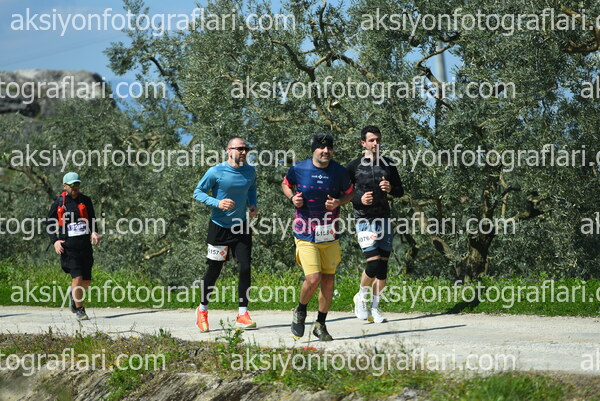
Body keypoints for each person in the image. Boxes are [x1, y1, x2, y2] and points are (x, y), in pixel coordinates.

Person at [281, 132, 354, 341]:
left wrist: (339, 202)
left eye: (329, 147)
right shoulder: (299, 168)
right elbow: (285, 184)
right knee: (313, 278)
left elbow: (350, 192)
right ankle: (300, 310)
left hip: (329, 234)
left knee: (328, 281)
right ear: (313, 149)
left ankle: (320, 324)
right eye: (321, 147)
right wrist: (292, 198)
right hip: (305, 232)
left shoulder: (339, 172)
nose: (326, 151)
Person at [193, 136, 258, 332]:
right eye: (240, 149)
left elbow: (251, 189)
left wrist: (252, 205)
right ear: (228, 151)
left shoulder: (250, 171)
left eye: (246, 149)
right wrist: (217, 203)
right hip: (219, 227)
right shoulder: (216, 171)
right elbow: (198, 192)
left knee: (245, 267)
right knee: (214, 270)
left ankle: (242, 314)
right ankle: (202, 310)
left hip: (240, 227)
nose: (244, 152)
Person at [346, 126, 404, 323]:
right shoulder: (353, 166)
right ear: (363, 143)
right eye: (371, 140)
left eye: (378, 139)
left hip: (384, 219)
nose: (375, 143)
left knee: (383, 267)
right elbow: (343, 193)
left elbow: (400, 191)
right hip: (363, 219)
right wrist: (359, 199)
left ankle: (376, 307)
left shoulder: (388, 164)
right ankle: (361, 297)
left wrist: (391, 188)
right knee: (373, 262)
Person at [47, 172, 101, 321]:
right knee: (77, 277)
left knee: (86, 281)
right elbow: (49, 223)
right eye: (72, 185)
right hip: (69, 247)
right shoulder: (59, 203)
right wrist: (55, 241)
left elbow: (92, 219)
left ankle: (73, 295)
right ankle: (79, 310)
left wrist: (94, 232)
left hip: (85, 246)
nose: (75, 188)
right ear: (64, 186)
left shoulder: (86, 200)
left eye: (77, 184)